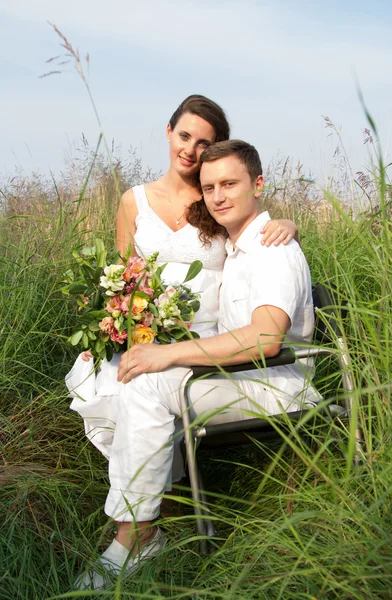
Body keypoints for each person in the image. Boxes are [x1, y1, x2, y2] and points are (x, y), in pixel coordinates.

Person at [71, 140, 319, 590]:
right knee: (139, 378)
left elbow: (265, 338)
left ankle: (133, 538)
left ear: (258, 185)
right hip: (242, 377)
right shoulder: (239, 245)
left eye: (230, 184)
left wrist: (165, 354)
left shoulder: (272, 248)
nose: (219, 196)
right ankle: (145, 525)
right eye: (209, 188)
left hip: (276, 383)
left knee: (149, 383)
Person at [68, 95, 298, 461]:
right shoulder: (134, 200)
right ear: (169, 131)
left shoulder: (217, 200)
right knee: (121, 379)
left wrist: (288, 225)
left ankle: (161, 496)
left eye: (203, 142)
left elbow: (257, 237)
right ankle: (159, 492)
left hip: (207, 333)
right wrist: (105, 327)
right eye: (185, 136)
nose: (191, 150)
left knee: (151, 383)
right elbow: (120, 277)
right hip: (145, 327)